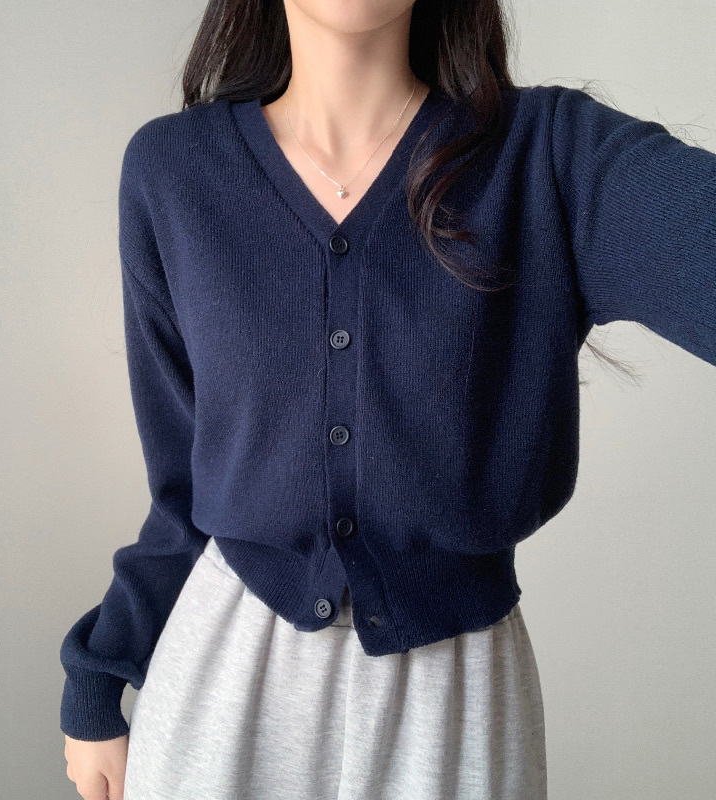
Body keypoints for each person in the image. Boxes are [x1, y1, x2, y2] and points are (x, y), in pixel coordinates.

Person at [60, 1, 716, 798]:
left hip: (455, 704)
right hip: (224, 686)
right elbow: (182, 492)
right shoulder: (174, 172)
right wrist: (101, 672)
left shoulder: (547, 157)